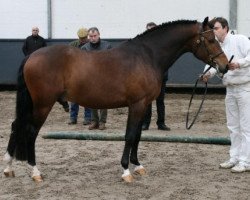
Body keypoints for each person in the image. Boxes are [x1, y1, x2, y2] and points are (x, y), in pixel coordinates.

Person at [202, 17, 250, 173]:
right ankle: (234, 157)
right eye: (213, 29)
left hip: (245, 88)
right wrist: (207, 74)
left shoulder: (240, 39)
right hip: (230, 88)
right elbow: (215, 65)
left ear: (225, 28)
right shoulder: (216, 46)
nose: (214, 32)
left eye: (216, 28)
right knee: (233, 126)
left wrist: (239, 63)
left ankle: (245, 161)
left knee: (245, 126)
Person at [81, 27, 112, 130]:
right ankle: (94, 121)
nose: (93, 38)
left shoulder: (107, 46)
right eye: (91, 36)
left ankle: (102, 122)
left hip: (105, 77)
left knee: (104, 100)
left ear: (99, 35)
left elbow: (112, 62)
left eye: (95, 36)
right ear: (88, 37)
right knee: (92, 99)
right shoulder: (84, 48)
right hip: (91, 78)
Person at [142, 22, 171, 131]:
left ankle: (161, 123)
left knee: (160, 101)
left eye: (152, 30)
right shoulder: (144, 44)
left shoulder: (163, 44)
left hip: (160, 77)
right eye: (148, 30)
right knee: (147, 102)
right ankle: (146, 123)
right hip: (148, 78)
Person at [68, 27, 92, 125]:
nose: (83, 40)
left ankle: (88, 118)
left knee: (88, 97)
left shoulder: (91, 45)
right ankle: (73, 118)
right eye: (81, 38)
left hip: (88, 75)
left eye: (84, 38)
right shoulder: (72, 45)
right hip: (75, 75)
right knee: (73, 98)